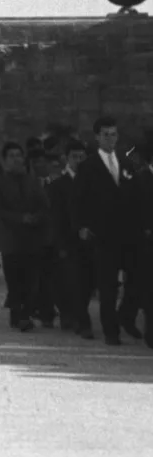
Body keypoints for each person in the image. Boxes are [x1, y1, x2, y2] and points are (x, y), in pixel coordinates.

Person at [74, 120, 136, 345]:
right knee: (107, 285)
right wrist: (82, 225)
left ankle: (126, 315)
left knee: (136, 280)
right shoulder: (88, 166)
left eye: (113, 134)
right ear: (97, 138)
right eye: (106, 135)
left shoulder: (126, 162)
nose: (110, 139)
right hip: (103, 233)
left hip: (128, 233)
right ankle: (111, 330)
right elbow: (79, 199)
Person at [0, 141, 49, 332]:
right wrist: (19, 218)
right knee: (15, 280)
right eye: (12, 156)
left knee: (32, 280)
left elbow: (44, 205)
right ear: (5, 160)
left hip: (32, 238)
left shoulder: (32, 181)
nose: (16, 159)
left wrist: (35, 218)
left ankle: (25, 311)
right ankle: (19, 314)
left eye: (18, 155)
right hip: (11, 240)